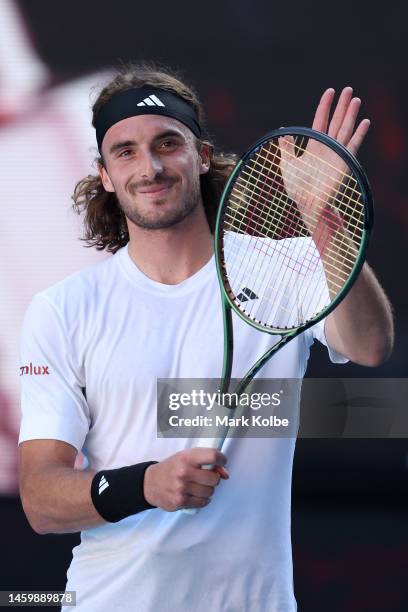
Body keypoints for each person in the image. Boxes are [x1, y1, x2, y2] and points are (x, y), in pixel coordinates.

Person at [18, 62, 394, 611]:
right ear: (104, 173)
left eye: (168, 143)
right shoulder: (63, 310)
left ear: (200, 155)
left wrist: (323, 221)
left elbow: (370, 345)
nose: (150, 167)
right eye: (126, 151)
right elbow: (41, 499)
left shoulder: (285, 267)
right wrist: (146, 485)